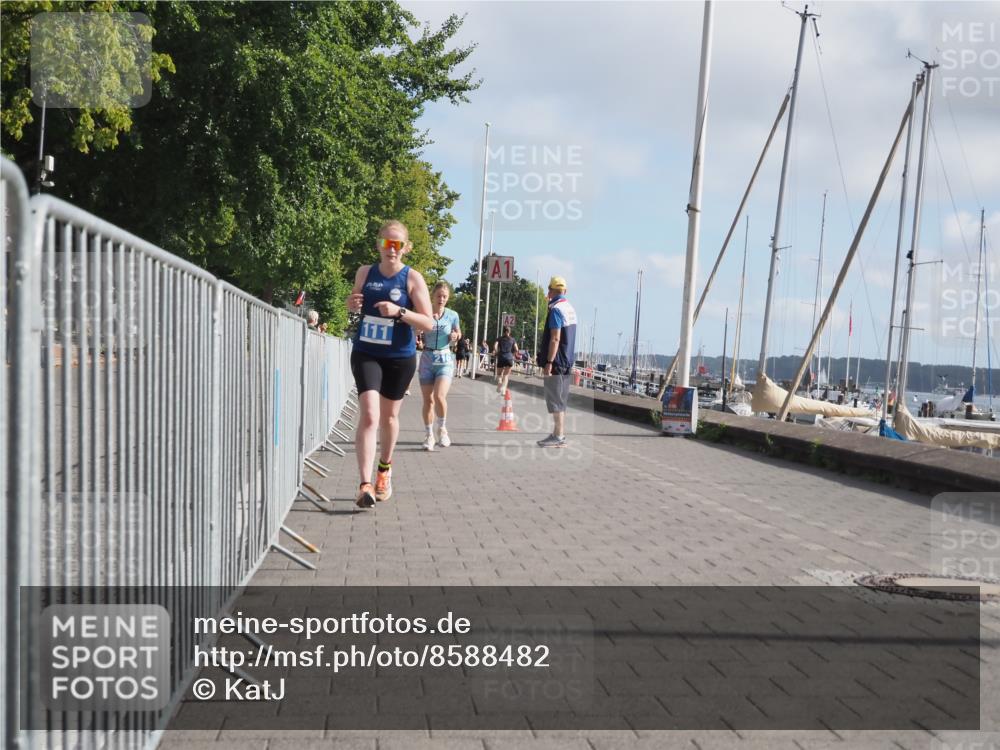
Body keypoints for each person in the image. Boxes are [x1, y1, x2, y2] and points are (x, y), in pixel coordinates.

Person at [346, 220, 434, 507]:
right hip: (367, 352)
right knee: (370, 415)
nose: (391, 249)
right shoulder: (365, 272)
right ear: (379, 244)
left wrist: (400, 312)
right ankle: (364, 485)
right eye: (386, 243)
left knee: (389, 418)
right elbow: (353, 302)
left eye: (397, 245)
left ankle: (384, 469)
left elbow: (429, 322)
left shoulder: (412, 279)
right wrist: (352, 304)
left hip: (399, 356)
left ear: (405, 248)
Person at [418, 281, 461, 451]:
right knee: (428, 400)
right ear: (432, 296)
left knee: (439, 396)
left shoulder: (452, 315)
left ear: (448, 298)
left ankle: (442, 429)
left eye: (444, 296)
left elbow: (458, 332)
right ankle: (429, 435)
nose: (441, 299)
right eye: (438, 296)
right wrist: (421, 328)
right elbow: (414, 330)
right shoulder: (425, 312)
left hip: (444, 358)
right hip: (427, 358)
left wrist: (455, 335)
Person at [536, 276, 577, 448]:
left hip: (557, 361)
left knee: (555, 400)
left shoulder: (556, 310)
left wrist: (549, 362)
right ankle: (557, 433)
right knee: (561, 399)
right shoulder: (570, 309)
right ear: (565, 291)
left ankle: (558, 436)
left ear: (551, 291)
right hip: (567, 360)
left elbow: (555, 338)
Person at [494, 326, 519, 394]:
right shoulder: (513, 339)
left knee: (499, 374)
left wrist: (496, 352)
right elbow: (516, 349)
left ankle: (499, 384)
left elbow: (495, 346)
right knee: (506, 375)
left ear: (503, 331)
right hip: (509, 358)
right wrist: (512, 355)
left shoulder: (499, 338)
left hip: (501, 357)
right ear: (509, 332)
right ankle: (503, 390)